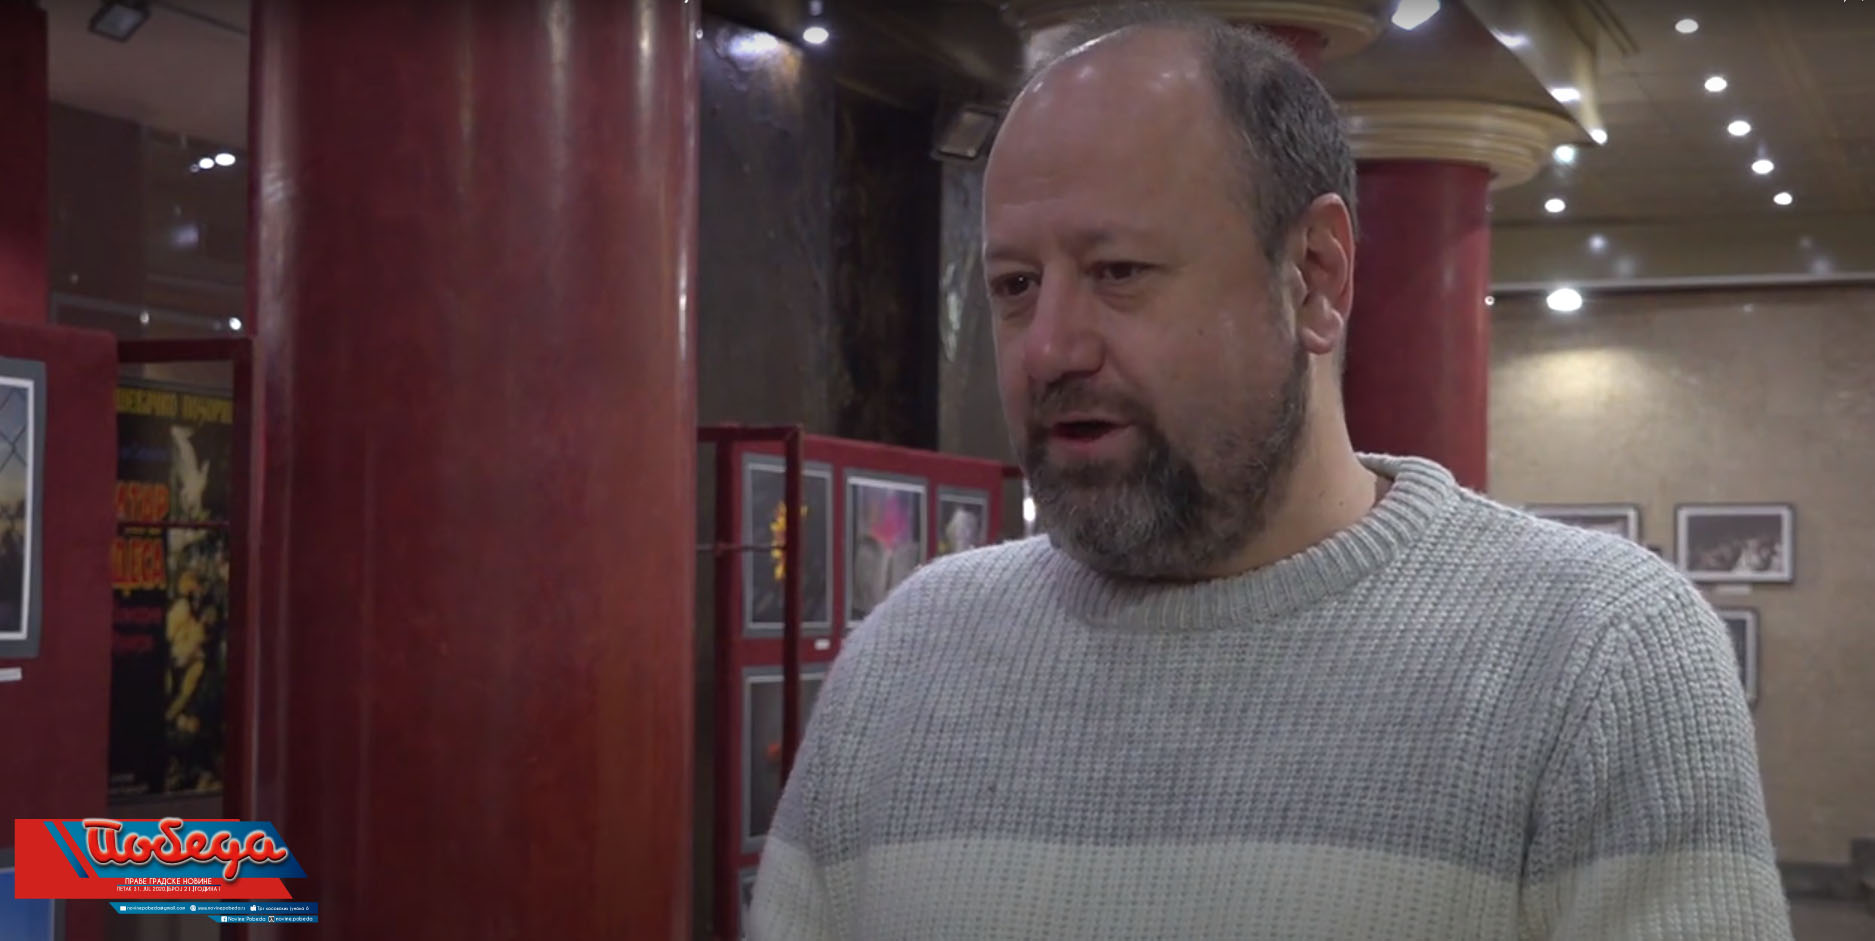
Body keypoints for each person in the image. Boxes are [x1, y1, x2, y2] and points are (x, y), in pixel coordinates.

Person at [749, 7, 1790, 939]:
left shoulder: (1595, 656)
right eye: (1016, 284)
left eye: (1119, 271)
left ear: (1314, 277)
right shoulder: (905, 660)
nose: (1049, 346)